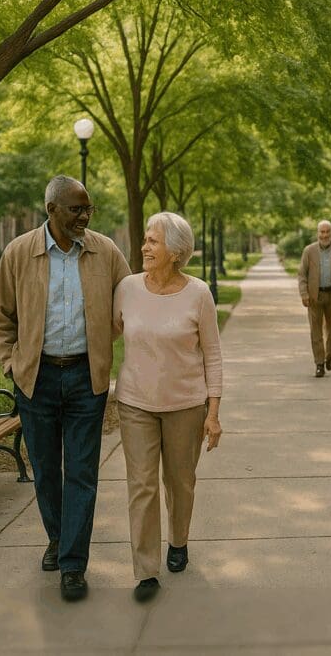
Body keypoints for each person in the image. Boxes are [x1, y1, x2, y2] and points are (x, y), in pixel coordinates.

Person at [0, 175, 131, 602]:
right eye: (76, 209)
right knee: (47, 472)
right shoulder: (18, 253)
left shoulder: (105, 250)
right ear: (51, 209)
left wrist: (109, 338)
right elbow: (1, 317)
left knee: (83, 473)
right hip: (38, 379)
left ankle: (72, 563)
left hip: (87, 379)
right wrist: (12, 365)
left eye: (89, 209)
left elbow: (129, 300)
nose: (85, 216)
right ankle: (57, 537)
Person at [113, 211, 223, 603]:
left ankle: (178, 540)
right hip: (135, 403)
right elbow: (109, 332)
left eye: (153, 242)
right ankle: (145, 570)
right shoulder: (126, 288)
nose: (144, 247)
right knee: (141, 484)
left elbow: (212, 355)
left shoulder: (198, 293)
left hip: (186, 404)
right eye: (145, 240)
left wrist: (212, 412)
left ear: (176, 252)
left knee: (180, 482)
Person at [298, 220, 331, 377]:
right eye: (322, 232)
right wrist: (304, 294)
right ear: (317, 233)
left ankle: (329, 356)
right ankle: (319, 364)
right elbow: (302, 274)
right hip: (315, 296)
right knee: (316, 332)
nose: (325, 235)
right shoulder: (309, 251)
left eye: (327, 231)